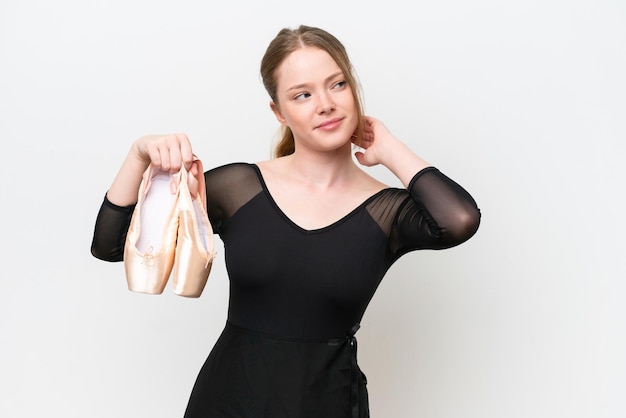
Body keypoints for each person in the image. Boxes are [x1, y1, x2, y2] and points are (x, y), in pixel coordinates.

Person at [91, 24, 481, 418]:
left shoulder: (387, 212)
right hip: (228, 401)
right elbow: (110, 245)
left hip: (327, 404)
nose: (325, 104)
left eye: (338, 85)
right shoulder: (239, 188)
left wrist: (389, 148)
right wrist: (138, 156)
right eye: (303, 94)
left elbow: (459, 219)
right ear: (279, 112)